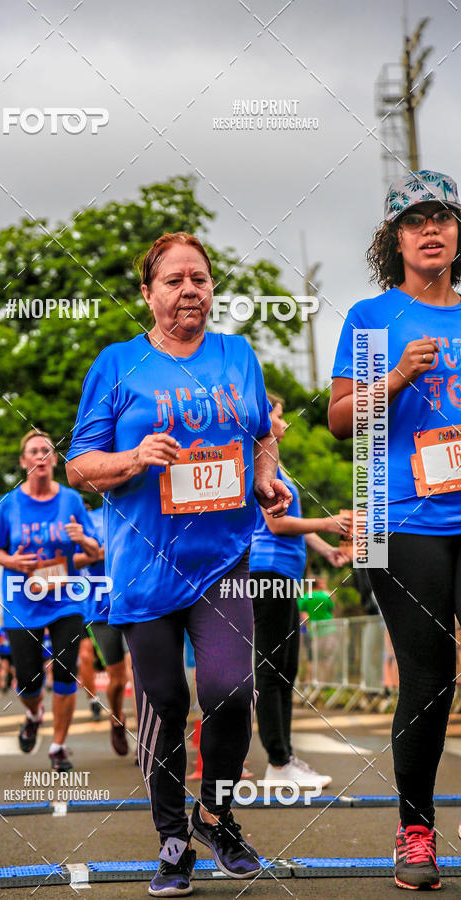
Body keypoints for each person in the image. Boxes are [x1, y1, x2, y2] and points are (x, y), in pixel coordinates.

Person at [66, 232, 292, 897]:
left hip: (222, 557)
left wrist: (266, 478)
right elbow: (81, 466)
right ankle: (171, 839)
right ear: (148, 293)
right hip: (145, 566)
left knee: (231, 690)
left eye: (199, 278)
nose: (189, 290)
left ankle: (215, 816)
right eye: (173, 280)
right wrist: (135, 458)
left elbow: (261, 436)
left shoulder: (237, 355)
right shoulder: (117, 364)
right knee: (165, 701)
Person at [329, 169, 461, 891]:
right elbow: (340, 421)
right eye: (415, 221)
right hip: (399, 518)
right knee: (430, 675)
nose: (430, 229)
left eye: (442, 217)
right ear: (395, 241)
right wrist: (397, 377)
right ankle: (415, 831)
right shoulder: (371, 319)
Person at [250, 394, 349, 790]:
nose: (285, 423)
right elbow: (276, 526)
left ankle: (284, 758)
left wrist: (327, 550)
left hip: (284, 573)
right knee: (272, 667)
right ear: (264, 419)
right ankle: (278, 761)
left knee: (285, 667)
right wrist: (326, 523)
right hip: (267, 571)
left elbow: (293, 524)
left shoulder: (276, 465)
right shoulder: (259, 466)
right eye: (278, 416)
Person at [0, 429, 100, 773]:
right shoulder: (9, 504)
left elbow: (95, 550)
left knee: (66, 671)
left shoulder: (71, 501)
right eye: (34, 451)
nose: (41, 456)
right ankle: (34, 713)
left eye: (46, 451)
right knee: (28, 681)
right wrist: (14, 562)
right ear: (24, 462)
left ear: (53, 460)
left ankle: (58, 746)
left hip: (66, 599)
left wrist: (83, 539)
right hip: (22, 602)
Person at [78, 504, 130, 756]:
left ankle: (147, 743)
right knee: (117, 679)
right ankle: (117, 717)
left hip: (135, 602)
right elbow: (67, 561)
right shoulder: (82, 521)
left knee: (137, 672)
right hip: (100, 609)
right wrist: (95, 554)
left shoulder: (129, 508)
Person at [0, 623, 15, 692]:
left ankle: (12, 684)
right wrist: (0, 642)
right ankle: (3, 685)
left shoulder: (13, 628)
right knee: (4, 669)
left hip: (12, 653)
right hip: (4, 653)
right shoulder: (0, 630)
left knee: (12, 670)